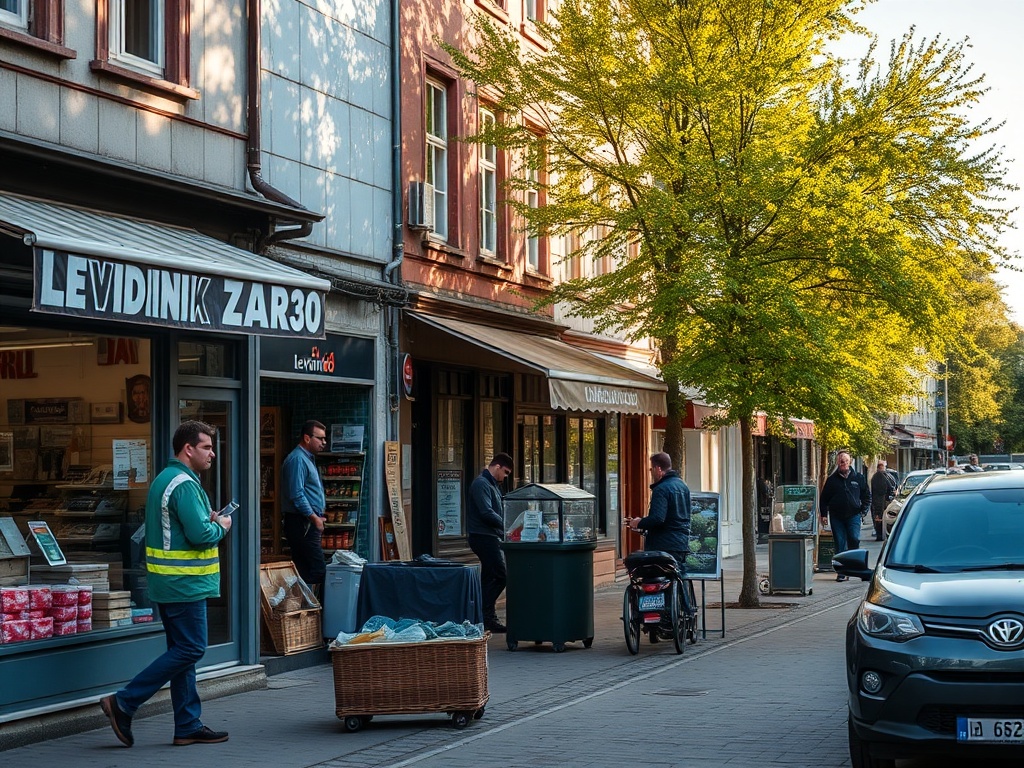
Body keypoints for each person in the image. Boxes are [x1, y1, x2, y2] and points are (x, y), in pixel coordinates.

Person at [100, 420, 232, 747]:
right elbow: (201, 535)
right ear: (188, 449)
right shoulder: (185, 483)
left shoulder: (166, 478)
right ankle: (124, 702)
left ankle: (187, 724)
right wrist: (222, 526)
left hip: (169, 584)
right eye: (206, 447)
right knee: (192, 648)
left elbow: (183, 527)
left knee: (182, 653)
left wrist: (207, 519)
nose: (212, 454)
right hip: (184, 585)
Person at [627, 452, 692, 619]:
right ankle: (687, 611)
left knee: (654, 576)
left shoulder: (661, 489)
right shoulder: (682, 486)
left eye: (651, 469)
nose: (651, 473)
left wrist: (638, 522)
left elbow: (658, 519)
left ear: (658, 469)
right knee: (678, 575)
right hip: (681, 542)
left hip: (662, 544)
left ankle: (657, 611)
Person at [467, 453, 513, 633]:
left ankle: (483, 617)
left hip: (490, 535)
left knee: (489, 578)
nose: (506, 476)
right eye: (506, 472)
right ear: (497, 467)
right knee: (500, 575)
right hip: (483, 536)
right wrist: (506, 525)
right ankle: (485, 614)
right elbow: (486, 512)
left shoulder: (492, 485)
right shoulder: (481, 484)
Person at [281, 420, 328, 594]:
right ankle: (311, 610)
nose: (324, 443)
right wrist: (314, 517)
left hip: (307, 521)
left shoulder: (306, 458)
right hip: (302, 522)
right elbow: (297, 494)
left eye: (325, 439)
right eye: (320, 438)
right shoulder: (297, 459)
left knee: (307, 569)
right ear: (307, 438)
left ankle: (308, 612)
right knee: (316, 569)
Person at [819, 451, 870, 581]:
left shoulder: (858, 478)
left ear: (850, 462)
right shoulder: (831, 480)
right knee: (840, 544)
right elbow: (824, 499)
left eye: (846, 461)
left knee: (854, 538)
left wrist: (864, 511)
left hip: (854, 515)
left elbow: (866, 496)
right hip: (837, 517)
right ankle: (842, 572)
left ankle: (855, 566)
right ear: (838, 463)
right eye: (841, 461)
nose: (843, 463)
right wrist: (824, 514)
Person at [869, 460, 897, 541]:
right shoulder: (881, 477)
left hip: (881, 502)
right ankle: (881, 534)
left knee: (881, 520)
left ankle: (881, 534)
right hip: (883, 502)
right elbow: (882, 493)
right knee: (882, 520)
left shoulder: (882, 476)